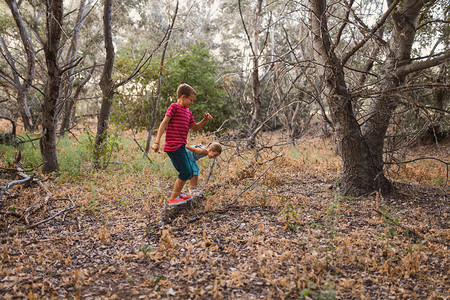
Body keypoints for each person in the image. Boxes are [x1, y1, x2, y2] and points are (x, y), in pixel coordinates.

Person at [152, 83, 212, 206]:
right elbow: (164, 123)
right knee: (185, 172)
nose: (192, 102)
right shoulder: (174, 107)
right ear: (183, 97)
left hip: (181, 146)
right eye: (191, 100)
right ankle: (173, 198)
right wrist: (157, 141)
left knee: (189, 172)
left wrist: (204, 120)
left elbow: (195, 127)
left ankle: (178, 195)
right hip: (173, 146)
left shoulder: (188, 112)